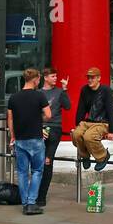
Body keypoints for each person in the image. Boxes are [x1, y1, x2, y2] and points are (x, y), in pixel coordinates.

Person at [6, 68, 51, 215]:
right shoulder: (40, 96)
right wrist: (39, 119)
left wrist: (13, 136)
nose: (39, 81)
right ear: (35, 79)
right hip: (36, 139)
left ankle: (25, 203)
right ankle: (32, 202)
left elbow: (10, 119)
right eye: (39, 79)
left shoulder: (13, 98)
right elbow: (48, 115)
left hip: (20, 140)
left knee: (22, 173)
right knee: (37, 171)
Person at [37, 67, 71, 206]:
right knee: (38, 162)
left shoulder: (59, 92)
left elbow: (68, 106)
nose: (56, 78)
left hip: (55, 129)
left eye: (56, 76)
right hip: (39, 129)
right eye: (52, 76)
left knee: (48, 161)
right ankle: (35, 193)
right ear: (45, 77)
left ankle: (42, 197)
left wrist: (64, 89)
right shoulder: (38, 93)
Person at [70, 67, 113, 171]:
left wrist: (112, 131)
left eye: (92, 78)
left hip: (102, 122)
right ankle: (85, 156)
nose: (90, 80)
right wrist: (77, 125)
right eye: (88, 78)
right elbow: (81, 108)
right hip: (88, 122)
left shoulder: (106, 90)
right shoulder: (84, 90)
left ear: (99, 78)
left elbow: (110, 110)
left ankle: (103, 156)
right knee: (76, 135)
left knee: (89, 137)